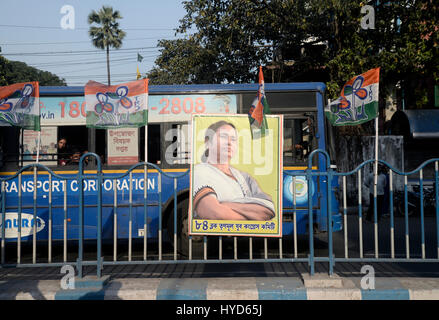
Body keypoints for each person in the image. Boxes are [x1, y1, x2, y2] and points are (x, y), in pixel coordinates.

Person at [192, 120, 275, 220]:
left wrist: (223, 204)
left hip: (242, 235)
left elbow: (268, 209)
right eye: (223, 137)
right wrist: (252, 217)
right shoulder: (201, 171)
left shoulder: (244, 177)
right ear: (208, 142)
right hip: (219, 234)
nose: (229, 143)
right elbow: (213, 212)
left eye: (233, 139)